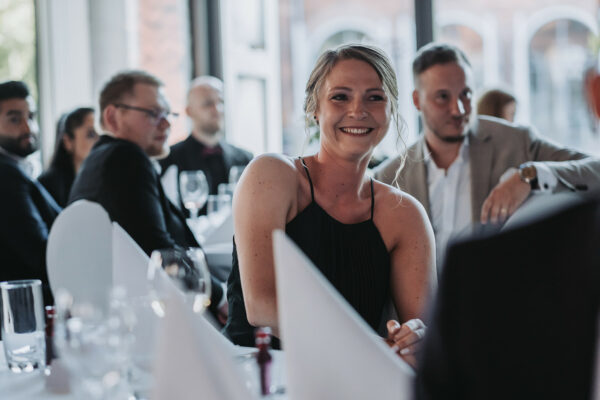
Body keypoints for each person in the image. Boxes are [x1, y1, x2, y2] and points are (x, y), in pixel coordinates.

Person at [224, 44, 436, 367]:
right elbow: (262, 307)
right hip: (260, 375)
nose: (358, 110)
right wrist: (374, 346)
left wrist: (415, 339)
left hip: (352, 380)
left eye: (375, 97)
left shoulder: (404, 215)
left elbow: (426, 331)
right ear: (314, 108)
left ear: (391, 111)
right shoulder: (271, 175)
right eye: (340, 96)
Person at [374, 43, 599, 267]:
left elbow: (595, 170)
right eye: (443, 97)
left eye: (466, 94)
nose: (459, 110)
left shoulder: (515, 141)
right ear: (417, 101)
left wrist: (529, 176)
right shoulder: (390, 176)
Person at [68, 70, 227, 320]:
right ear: (112, 117)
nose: (166, 123)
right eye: (153, 114)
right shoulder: (125, 159)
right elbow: (160, 254)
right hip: (151, 320)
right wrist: (220, 297)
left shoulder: (100, 159)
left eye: (167, 114)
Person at [0, 80, 61, 305]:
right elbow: (39, 252)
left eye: (31, 117)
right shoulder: (6, 176)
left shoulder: (16, 169)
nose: (28, 128)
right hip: (23, 308)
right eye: (15, 119)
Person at [159, 76, 253, 213]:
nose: (217, 109)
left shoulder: (245, 158)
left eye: (221, 102)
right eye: (208, 104)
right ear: (189, 112)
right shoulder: (169, 159)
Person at [38, 107, 98, 207]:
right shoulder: (46, 186)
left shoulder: (103, 180)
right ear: (68, 142)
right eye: (91, 134)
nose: (99, 141)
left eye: (103, 134)